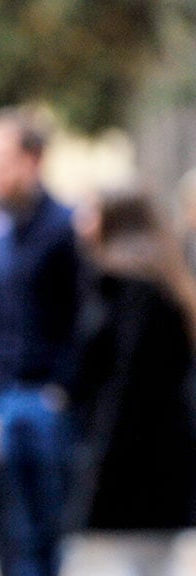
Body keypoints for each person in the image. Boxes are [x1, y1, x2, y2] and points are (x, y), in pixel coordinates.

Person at [0, 107, 81, 576]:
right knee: (10, 545)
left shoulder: (67, 229)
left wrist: (61, 392)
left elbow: (79, 325)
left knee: (43, 543)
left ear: (32, 160)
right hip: (0, 407)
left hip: (45, 407)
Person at [60, 186, 196, 576]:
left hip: (126, 469)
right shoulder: (166, 284)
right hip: (165, 466)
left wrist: (97, 471)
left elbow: (124, 387)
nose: (82, 223)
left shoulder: (128, 288)